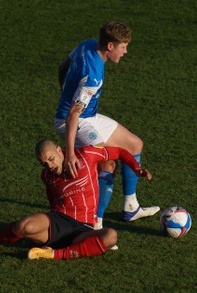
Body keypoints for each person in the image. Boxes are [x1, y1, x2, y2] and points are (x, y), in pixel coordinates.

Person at [0, 139, 152, 260]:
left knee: (110, 236)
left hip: (84, 227)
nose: (49, 165)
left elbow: (120, 152)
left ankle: (52, 254)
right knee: (24, 226)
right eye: (43, 163)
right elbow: (53, 205)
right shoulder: (47, 176)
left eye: (51, 159)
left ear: (60, 150)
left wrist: (136, 168)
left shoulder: (86, 155)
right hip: (59, 221)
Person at [55, 20, 159, 229]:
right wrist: (71, 153)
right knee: (107, 163)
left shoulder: (86, 44)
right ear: (110, 46)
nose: (126, 51)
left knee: (134, 144)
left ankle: (131, 207)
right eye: (123, 47)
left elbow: (62, 66)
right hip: (76, 122)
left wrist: (65, 93)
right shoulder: (92, 76)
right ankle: (95, 224)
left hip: (88, 116)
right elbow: (73, 114)